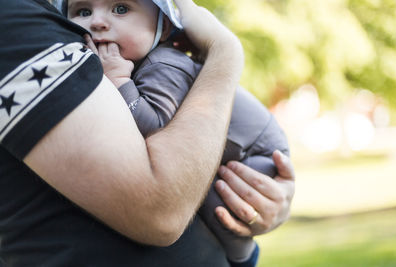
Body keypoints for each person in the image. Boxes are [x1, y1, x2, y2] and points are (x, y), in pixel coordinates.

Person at [0, 1, 295, 267]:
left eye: (120, 9)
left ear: (163, 26)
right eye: (83, 11)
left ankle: (242, 257)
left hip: (254, 156)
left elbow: (157, 130)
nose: (98, 22)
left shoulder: (163, 64)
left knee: (223, 202)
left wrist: (120, 82)